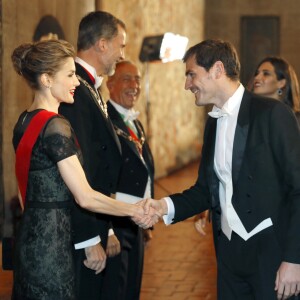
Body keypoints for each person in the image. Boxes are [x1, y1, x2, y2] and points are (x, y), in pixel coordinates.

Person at [143, 39, 300, 299]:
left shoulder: (273, 114)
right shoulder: (213, 124)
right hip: (228, 254)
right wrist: (163, 207)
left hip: (272, 255)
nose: (187, 84)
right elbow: (205, 190)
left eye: (191, 74)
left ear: (217, 70)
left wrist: (294, 259)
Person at [11, 39, 157, 300]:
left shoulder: (24, 120)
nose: (77, 82)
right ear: (46, 79)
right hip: (54, 249)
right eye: (69, 75)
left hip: (30, 242)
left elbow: (25, 195)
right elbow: (85, 196)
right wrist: (135, 210)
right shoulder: (56, 126)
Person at [58, 11, 127, 300]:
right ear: (102, 44)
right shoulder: (75, 90)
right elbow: (77, 169)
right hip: (80, 230)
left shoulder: (89, 85)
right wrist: (88, 238)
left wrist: (107, 228)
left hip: (96, 219)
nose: (122, 54)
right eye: (121, 46)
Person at [100, 61, 155, 300]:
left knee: (132, 290)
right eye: (126, 79)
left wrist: (147, 221)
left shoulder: (136, 123)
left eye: (138, 79)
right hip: (116, 220)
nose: (134, 85)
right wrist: (108, 230)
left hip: (136, 221)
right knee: (115, 291)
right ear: (110, 84)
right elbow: (99, 178)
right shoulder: (104, 122)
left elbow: (144, 170)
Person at [251, 56, 300, 122]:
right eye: (257, 73)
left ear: (281, 83)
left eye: (266, 74)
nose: (257, 77)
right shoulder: (251, 114)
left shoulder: (294, 118)